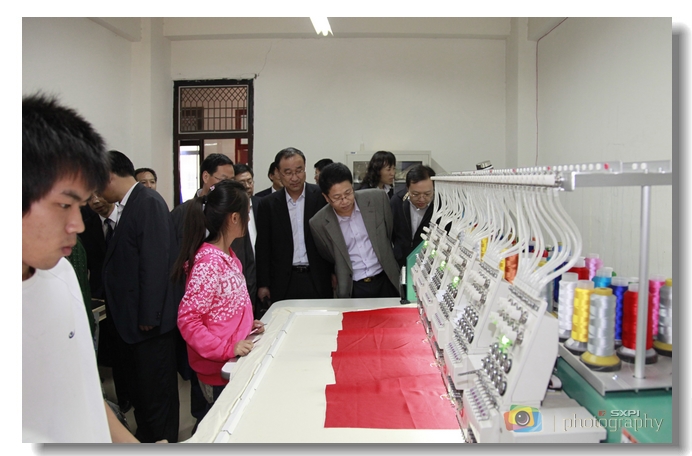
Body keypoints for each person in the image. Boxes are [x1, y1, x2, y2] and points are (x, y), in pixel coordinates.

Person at [22, 94, 138, 442]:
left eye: (82, 206)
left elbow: (85, 389)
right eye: (64, 205)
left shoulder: (62, 275)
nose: (78, 224)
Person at [100, 150, 180, 443]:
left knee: (157, 395)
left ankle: (162, 441)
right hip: (134, 325)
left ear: (109, 176)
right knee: (143, 394)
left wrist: (149, 314)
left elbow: (156, 262)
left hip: (150, 325)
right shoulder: (130, 203)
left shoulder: (147, 202)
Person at [173, 179, 264, 418]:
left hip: (231, 360)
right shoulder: (209, 264)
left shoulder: (228, 256)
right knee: (218, 423)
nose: (249, 218)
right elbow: (188, 320)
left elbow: (224, 308)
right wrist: (227, 347)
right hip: (218, 368)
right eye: (247, 213)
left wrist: (245, 326)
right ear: (234, 218)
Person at [255, 147, 333, 307]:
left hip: (318, 276)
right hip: (283, 280)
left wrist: (334, 272)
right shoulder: (268, 204)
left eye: (299, 171)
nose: (295, 178)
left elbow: (332, 238)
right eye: (288, 173)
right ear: (278, 173)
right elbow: (263, 246)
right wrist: (263, 284)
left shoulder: (321, 197)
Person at [310, 163, 400, 299]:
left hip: (386, 279)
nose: (345, 201)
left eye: (348, 193)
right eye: (337, 197)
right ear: (326, 197)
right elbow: (329, 255)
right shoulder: (319, 223)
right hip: (353, 286)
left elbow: (389, 232)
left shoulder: (377, 199)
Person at [390, 165, 437, 268]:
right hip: (400, 263)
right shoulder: (397, 201)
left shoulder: (440, 207)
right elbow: (391, 234)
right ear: (407, 188)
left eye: (427, 194)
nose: (422, 199)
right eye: (415, 194)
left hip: (428, 264)